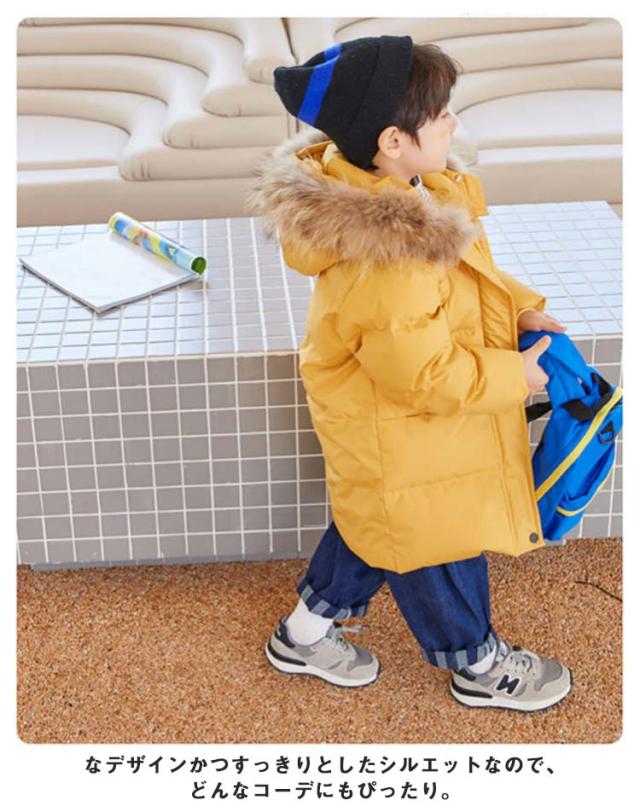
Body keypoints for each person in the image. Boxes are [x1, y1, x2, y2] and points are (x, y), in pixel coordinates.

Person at [246, 35, 571, 712]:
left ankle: (303, 635)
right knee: (436, 535)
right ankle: (477, 663)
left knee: (379, 522)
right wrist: (514, 377)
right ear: (393, 141)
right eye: (441, 113)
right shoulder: (387, 258)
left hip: (394, 423)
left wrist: (518, 309)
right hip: (402, 420)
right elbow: (421, 373)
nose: (453, 123)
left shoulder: (412, 196)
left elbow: (468, 281)